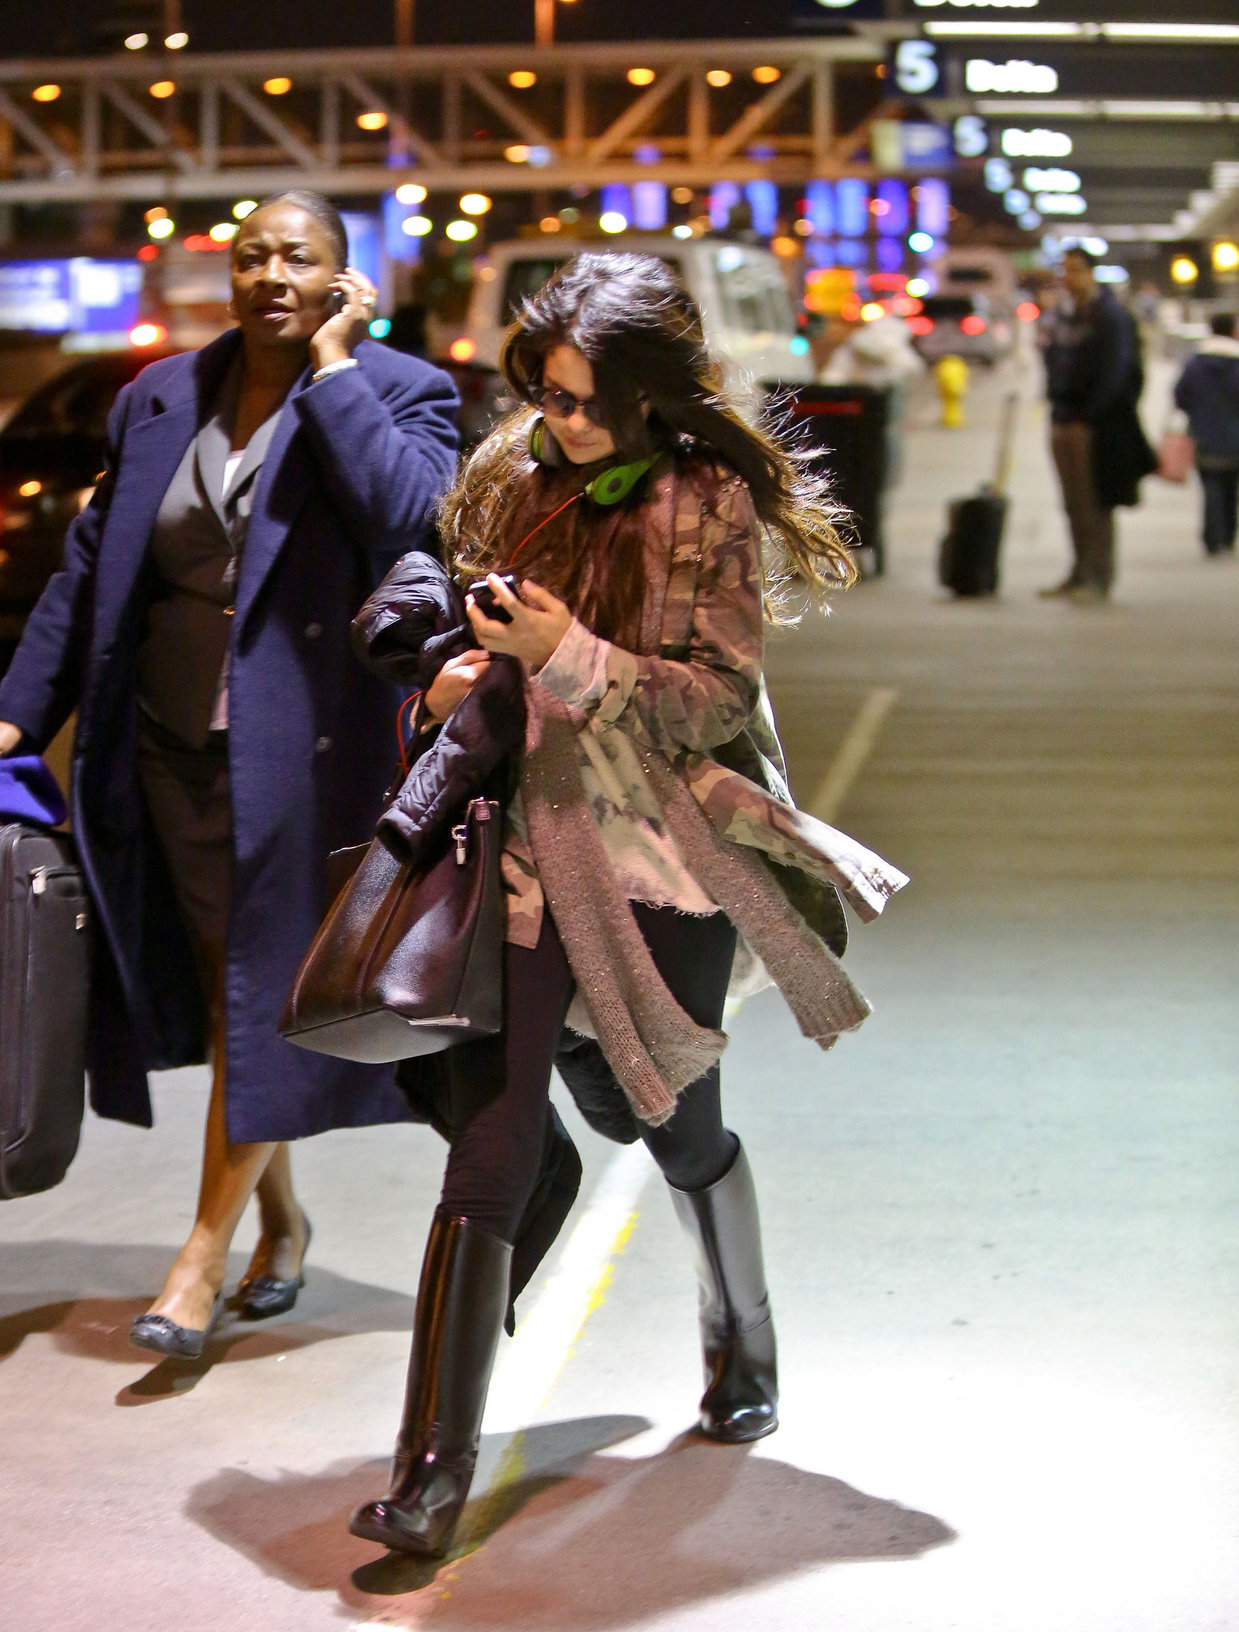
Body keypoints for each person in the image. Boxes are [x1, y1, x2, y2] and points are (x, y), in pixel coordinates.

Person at [345, 252, 909, 1560]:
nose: (566, 421)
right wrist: (442, 677)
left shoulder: (705, 499)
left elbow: (712, 696)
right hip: (515, 844)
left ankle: (740, 1342)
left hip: (658, 856)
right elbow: (454, 621)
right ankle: (430, 1475)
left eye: (592, 398)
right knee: (488, 1140)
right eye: (546, 393)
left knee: (667, 1120)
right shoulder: (505, 474)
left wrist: (571, 657)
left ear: (655, 391)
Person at [0, 190, 459, 1359]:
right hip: (166, 748)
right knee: (227, 994)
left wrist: (336, 370)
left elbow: (413, 521)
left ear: (341, 279)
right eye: (251, 257)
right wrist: (15, 717)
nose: (269, 277)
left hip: (307, 756)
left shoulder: (400, 389)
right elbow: (93, 571)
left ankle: (197, 1264)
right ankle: (284, 1226)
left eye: (297, 261)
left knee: (264, 991)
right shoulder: (160, 396)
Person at [1041, 246, 1152, 603]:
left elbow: (1117, 372)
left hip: (1092, 424)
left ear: (1091, 273)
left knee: (1094, 502)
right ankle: (1079, 571)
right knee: (1073, 503)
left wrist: (1092, 415)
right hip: (1063, 417)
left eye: (1075, 270)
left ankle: (1098, 576)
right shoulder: (1066, 315)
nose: (1067, 278)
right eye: (1064, 270)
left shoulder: (1110, 316)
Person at [1173, 312, 1239, 555]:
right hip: (1235, 435)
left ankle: (1212, 536)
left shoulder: (1196, 363)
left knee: (1210, 484)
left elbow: (1180, 395)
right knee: (1231, 486)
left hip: (1202, 433)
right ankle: (1229, 534)